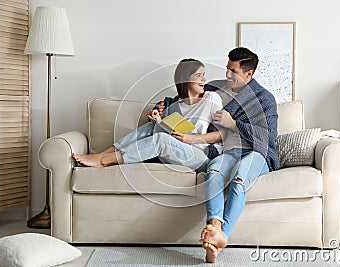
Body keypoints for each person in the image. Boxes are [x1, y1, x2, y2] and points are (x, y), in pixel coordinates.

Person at [155, 48, 279, 263]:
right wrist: (165, 104)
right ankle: (215, 230)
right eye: (227, 69)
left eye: (233, 71)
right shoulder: (220, 88)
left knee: (239, 179)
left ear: (249, 74)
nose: (228, 75)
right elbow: (187, 95)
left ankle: (221, 237)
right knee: (213, 172)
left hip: (257, 153)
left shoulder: (265, 99)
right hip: (228, 150)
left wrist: (234, 124)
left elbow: (267, 136)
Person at [73, 59, 225, 172]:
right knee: (150, 127)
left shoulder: (211, 98)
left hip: (200, 157)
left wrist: (190, 139)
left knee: (161, 140)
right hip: (175, 152)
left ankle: (105, 160)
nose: (204, 79)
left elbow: (222, 133)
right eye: (199, 75)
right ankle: (102, 154)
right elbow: (165, 127)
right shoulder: (173, 105)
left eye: (203, 75)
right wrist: (156, 118)